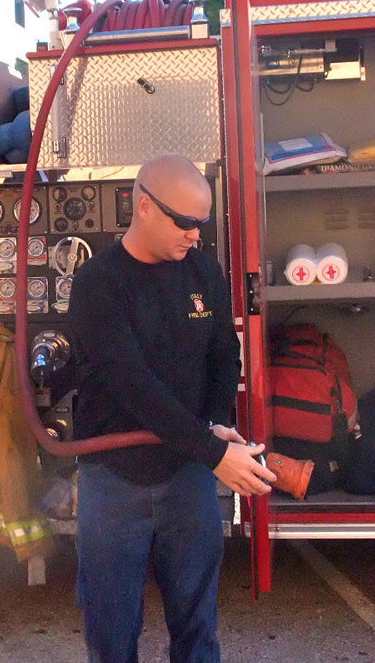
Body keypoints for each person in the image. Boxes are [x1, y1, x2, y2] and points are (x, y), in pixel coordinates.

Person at [67, 153, 274, 663]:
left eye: (200, 225)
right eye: (184, 223)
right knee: (112, 634)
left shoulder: (203, 271)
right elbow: (130, 383)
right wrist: (213, 451)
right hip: (115, 481)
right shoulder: (99, 283)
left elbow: (224, 353)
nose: (194, 236)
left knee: (197, 628)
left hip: (188, 476)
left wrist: (219, 423)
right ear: (144, 207)